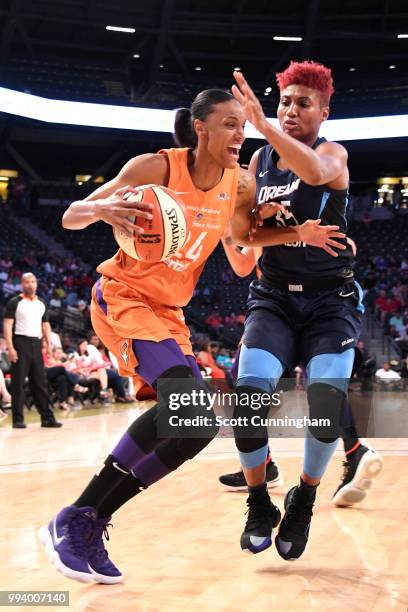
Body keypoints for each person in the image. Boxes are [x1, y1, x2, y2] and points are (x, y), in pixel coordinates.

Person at [39, 87, 344, 584]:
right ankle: (77, 518)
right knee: (188, 408)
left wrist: (296, 234)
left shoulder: (239, 184)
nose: (239, 136)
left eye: (243, 127)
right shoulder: (153, 168)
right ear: (200, 128)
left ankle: (87, 518)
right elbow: (70, 216)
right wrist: (101, 210)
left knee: (197, 427)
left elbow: (244, 248)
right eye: (229, 125)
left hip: (170, 313)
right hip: (124, 297)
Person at [228, 62, 368, 560]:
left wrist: (263, 124)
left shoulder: (333, 153)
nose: (289, 110)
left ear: (323, 113)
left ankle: (304, 497)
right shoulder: (258, 162)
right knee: (248, 398)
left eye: (301, 103)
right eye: (285, 101)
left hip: (330, 301)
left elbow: (314, 172)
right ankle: (259, 500)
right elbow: (244, 236)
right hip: (274, 298)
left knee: (326, 406)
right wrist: (291, 233)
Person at [219, 237, 383, 507]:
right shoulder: (271, 222)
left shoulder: (299, 217)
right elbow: (243, 263)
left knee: (318, 390)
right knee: (257, 390)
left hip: (305, 313)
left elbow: (348, 247)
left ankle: (350, 451)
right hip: (276, 313)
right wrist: (227, 236)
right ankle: (350, 451)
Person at [3, 273, 62, 428]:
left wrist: (49, 345)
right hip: (20, 342)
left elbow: (46, 325)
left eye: (33, 282)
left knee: (40, 382)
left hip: (36, 343)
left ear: (36, 283)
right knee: (18, 383)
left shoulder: (41, 302)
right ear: (22, 284)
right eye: (27, 282)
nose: (30, 285)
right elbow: (8, 325)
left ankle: (47, 418)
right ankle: (18, 419)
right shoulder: (15, 302)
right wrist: (10, 348)